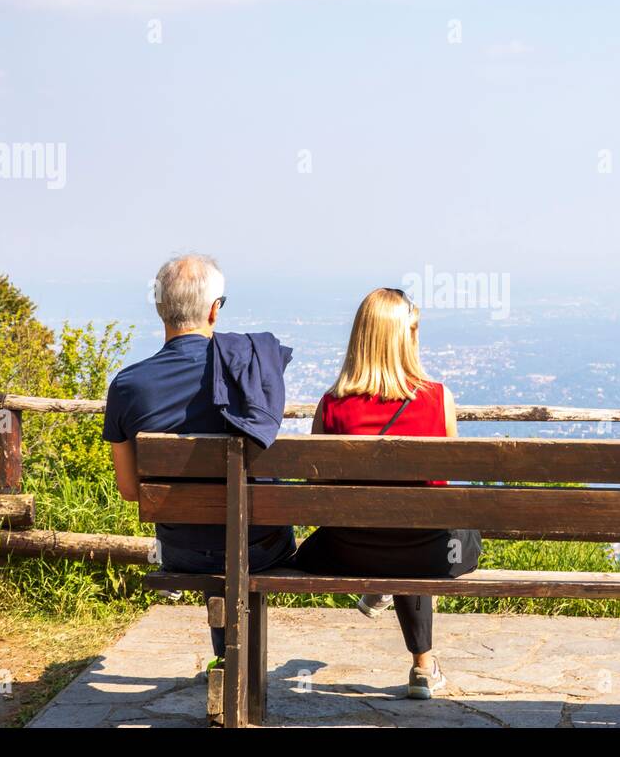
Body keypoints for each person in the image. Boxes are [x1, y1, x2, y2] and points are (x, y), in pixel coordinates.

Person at [104, 254, 296, 663]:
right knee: (235, 530)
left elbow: (128, 490)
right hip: (263, 546)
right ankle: (237, 668)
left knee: (210, 531)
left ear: (161, 309)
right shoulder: (249, 372)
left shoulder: (127, 386)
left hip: (184, 549)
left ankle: (230, 665)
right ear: (214, 310)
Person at [294, 287, 480, 699]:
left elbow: (315, 492)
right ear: (407, 336)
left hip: (348, 551)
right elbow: (443, 488)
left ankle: (378, 585)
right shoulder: (438, 399)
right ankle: (423, 669)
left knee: (393, 530)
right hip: (426, 552)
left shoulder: (331, 405)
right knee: (438, 531)